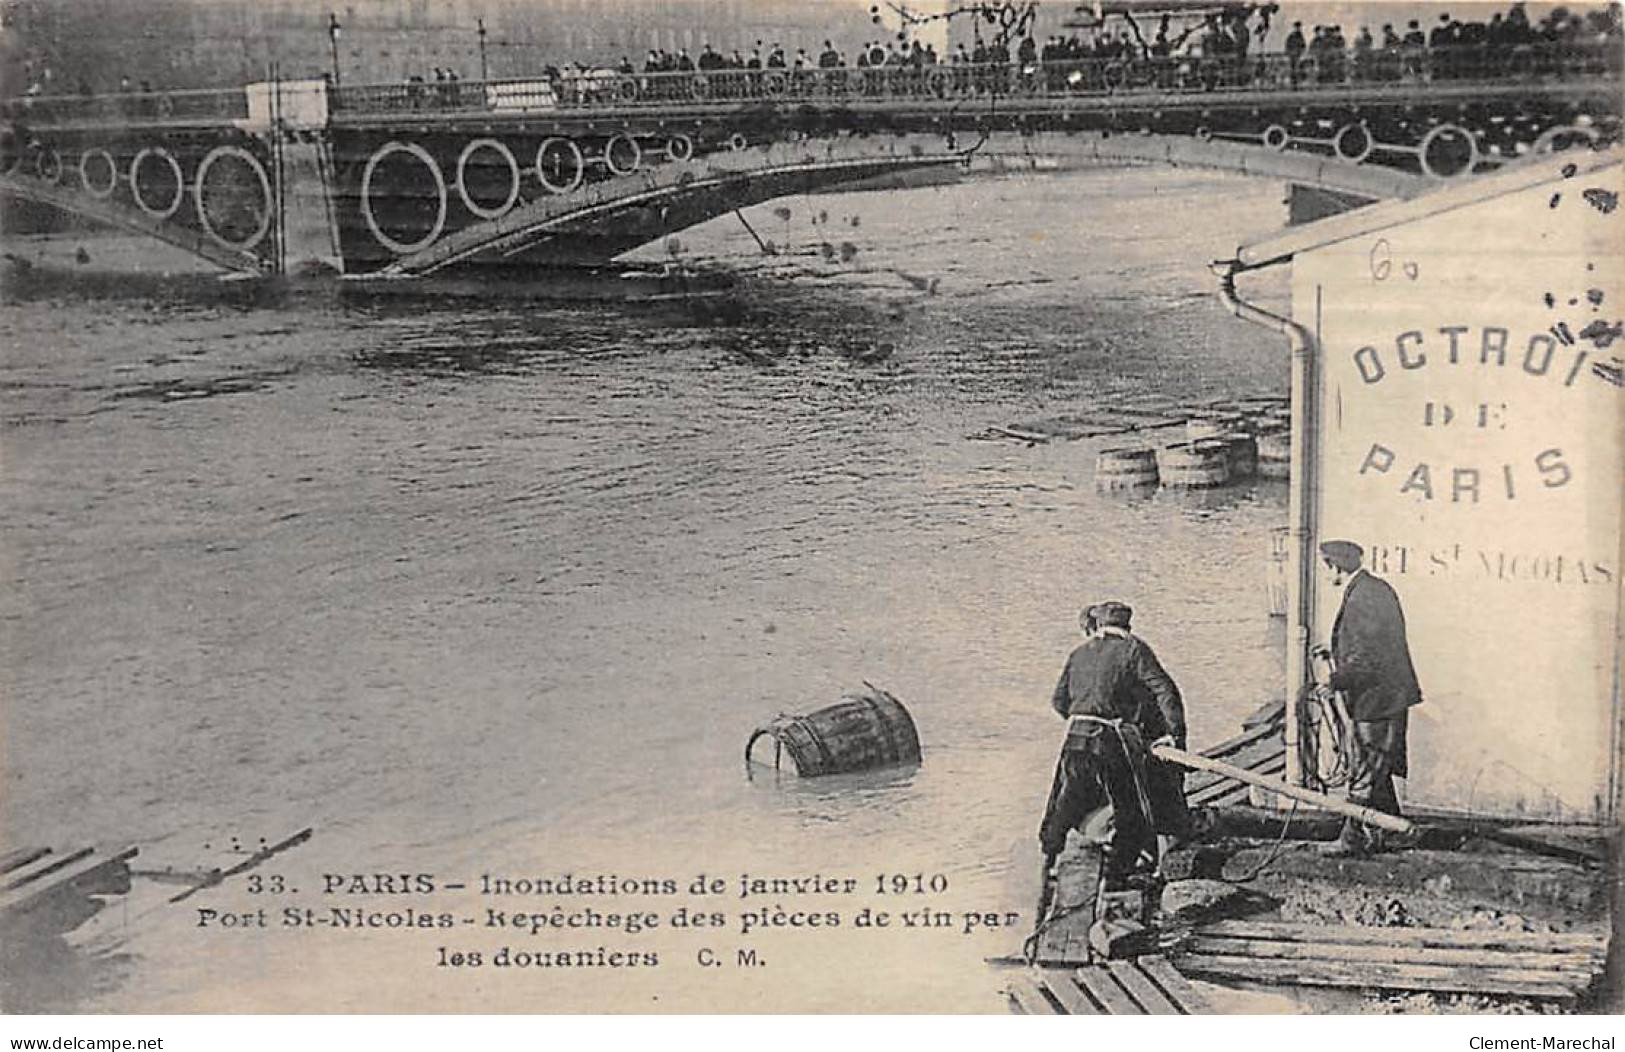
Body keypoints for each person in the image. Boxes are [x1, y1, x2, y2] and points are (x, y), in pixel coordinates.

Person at [1038, 602, 1189, 892]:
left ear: (1098, 626)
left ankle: (1049, 859)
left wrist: (1087, 710)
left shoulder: (1078, 653)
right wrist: (1174, 734)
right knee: (1131, 807)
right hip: (1109, 739)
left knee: (1064, 802)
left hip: (1075, 738)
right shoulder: (1133, 649)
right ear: (1127, 627)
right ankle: (1120, 874)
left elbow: (1059, 702)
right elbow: (1164, 690)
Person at [1308, 541, 1423, 857]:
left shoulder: (1365, 596)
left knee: (1365, 767)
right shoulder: (1369, 589)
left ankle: (1351, 840)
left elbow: (1370, 657)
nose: (1325, 572)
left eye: (1326, 565)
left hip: (1379, 700)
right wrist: (1334, 653)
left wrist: (1334, 680)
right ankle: (1393, 831)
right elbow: (1368, 644)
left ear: (1335, 566)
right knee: (1377, 768)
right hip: (1382, 696)